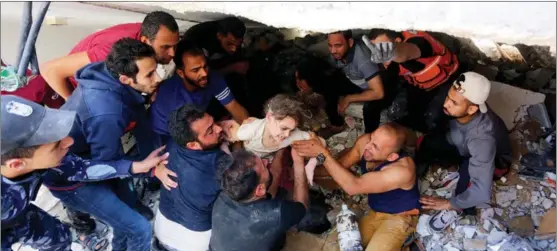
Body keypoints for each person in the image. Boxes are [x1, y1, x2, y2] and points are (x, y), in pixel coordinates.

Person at [41, 38, 175, 251]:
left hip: (96, 153)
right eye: (149, 74)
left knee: (126, 212)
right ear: (124, 79)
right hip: (73, 179)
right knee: (138, 228)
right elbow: (104, 165)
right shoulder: (107, 114)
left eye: (155, 70)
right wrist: (149, 171)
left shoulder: (108, 72)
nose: (158, 78)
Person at [1, 95, 168, 251]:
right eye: (56, 145)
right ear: (17, 164)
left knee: (61, 239)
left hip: (20, 213)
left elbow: (79, 168)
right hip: (7, 220)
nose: (70, 142)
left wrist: (138, 167)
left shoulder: (35, 160)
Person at [293, 122, 420, 251]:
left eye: (375, 147)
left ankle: (407, 242)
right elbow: (340, 166)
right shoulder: (365, 142)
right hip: (375, 213)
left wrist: (324, 154)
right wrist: (302, 170)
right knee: (342, 246)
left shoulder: (402, 171)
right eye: (371, 138)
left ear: (391, 157)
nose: (367, 146)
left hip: (400, 217)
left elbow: (353, 187)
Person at [416, 72, 512, 231]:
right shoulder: (459, 101)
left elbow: (482, 191)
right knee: (426, 143)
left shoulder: (482, 139)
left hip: (490, 159)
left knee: (470, 182)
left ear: (472, 108)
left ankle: (461, 209)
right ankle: (429, 171)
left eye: (453, 102)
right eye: (448, 97)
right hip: (460, 142)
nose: (446, 103)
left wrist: (448, 203)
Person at [155, 104, 247, 250]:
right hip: (195, 243)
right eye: (210, 131)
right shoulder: (221, 164)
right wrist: (238, 142)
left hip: (162, 229)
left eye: (214, 122)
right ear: (192, 145)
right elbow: (247, 178)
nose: (218, 129)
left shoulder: (173, 145)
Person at [40, 11, 180, 102]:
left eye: (175, 45)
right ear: (145, 41)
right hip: (79, 89)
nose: (172, 53)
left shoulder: (150, 33)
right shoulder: (109, 52)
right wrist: (73, 108)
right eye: (165, 47)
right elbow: (50, 69)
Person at [150, 39, 249, 144]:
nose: (204, 73)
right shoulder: (173, 98)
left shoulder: (212, 78)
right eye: (195, 70)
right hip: (165, 137)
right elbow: (192, 141)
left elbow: (234, 107)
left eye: (205, 66)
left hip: (196, 122)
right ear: (181, 73)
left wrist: (252, 132)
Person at [363, 29, 461, 133]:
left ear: (397, 41)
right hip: (420, 85)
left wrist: (393, 52)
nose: (378, 52)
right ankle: (369, 136)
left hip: (448, 81)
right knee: (390, 111)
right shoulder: (389, 63)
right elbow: (388, 83)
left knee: (433, 121)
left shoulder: (419, 41)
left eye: (382, 47)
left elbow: (407, 52)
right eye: (375, 49)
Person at [209, 149, 309, 251]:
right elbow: (302, 207)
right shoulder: (278, 214)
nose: (266, 161)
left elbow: (272, 177)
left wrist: (281, 150)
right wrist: (298, 162)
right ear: (260, 190)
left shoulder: (225, 193)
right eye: (264, 166)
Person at [221, 94, 326, 186]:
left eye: (292, 129)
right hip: (250, 162)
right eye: (283, 128)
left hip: (270, 163)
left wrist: (311, 165)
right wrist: (233, 157)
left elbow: (322, 143)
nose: (287, 134)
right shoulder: (250, 131)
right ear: (269, 118)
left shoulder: (292, 135)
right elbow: (224, 138)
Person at [327, 30, 392, 133]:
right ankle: (337, 124)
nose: (333, 51)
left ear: (350, 43)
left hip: (377, 85)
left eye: (338, 45)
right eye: (330, 46)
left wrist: (349, 98)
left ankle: (369, 136)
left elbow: (379, 93)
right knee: (328, 82)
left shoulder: (363, 59)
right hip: (356, 80)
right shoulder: (336, 53)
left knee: (370, 108)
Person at [182, 17, 247, 74]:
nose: (234, 49)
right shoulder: (194, 37)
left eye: (238, 44)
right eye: (230, 44)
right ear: (219, 36)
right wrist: (232, 68)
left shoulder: (231, 37)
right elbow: (202, 75)